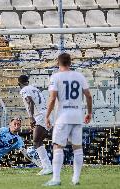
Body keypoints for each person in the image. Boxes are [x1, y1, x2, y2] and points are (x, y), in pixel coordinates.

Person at [44, 53, 92, 186]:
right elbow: (88, 95)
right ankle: (76, 179)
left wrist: (47, 115)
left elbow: (53, 98)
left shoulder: (56, 77)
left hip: (63, 117)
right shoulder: (79, 76)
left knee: (58, 146)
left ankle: (56, 179)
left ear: (58, 63)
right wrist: (89, 113)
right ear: (70, 62)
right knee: (77, 148)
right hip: (77, 117)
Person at [18, 75, 52, 175]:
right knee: (39, 140)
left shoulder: (24, 89)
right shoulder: (35, 88)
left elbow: (30, 101)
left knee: (36, 141)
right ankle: (47, 166)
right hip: (46, 114)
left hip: (39, 116)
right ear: (28, 81)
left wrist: (31, 117)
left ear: (19, 84)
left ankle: (47, 166)